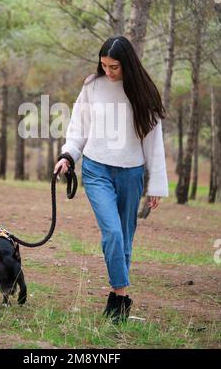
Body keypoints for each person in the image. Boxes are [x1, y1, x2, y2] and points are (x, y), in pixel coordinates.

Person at [53, 36, 169, 323]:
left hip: (131, 173)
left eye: (114, 66)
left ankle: (117, 306)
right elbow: (79, 126)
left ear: (127, 64)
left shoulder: (143, 92)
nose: (108, 71)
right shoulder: (92, 86)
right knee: (113, 234)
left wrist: (155, 185)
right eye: (104, 65)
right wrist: (68, 155)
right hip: (96, 170)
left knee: (126, 239)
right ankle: (121, 294)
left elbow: (154, 143)